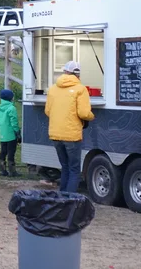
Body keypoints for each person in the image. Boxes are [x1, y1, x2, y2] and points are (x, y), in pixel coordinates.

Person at [45, 61, 94, 193]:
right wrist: (91, 116)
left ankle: (62, 198)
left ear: (65, 72)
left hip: (55, 134)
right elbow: (83, 113)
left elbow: (47, 111)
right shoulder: (80, 89)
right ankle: (69, 201)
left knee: (65, 167)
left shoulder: (53, 88)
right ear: (78, 74)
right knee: (74, 170)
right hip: (71, 135)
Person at [0, 89, 20, 177]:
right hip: (11, 135)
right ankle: (12, 171)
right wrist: (17, 132)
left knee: (3, 151)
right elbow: (14, 122)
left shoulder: (0, 109)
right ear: (10, 98)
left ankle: (2, 170)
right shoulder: (11, 108)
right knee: (11, 152)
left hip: (2, 134)